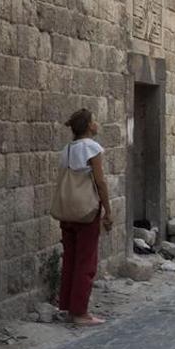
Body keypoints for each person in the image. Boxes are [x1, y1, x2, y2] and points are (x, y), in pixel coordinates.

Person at [58, 109, 113, 326]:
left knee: (70, 259)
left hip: (68, 210)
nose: (97, 123)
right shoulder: (92, 148)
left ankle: (68, 306)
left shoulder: (67, 150)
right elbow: (100, 182)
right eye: (94, 120)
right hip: (87, 210)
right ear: (89, 125)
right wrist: (108, 210)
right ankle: (80, 312)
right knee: (86, 261)